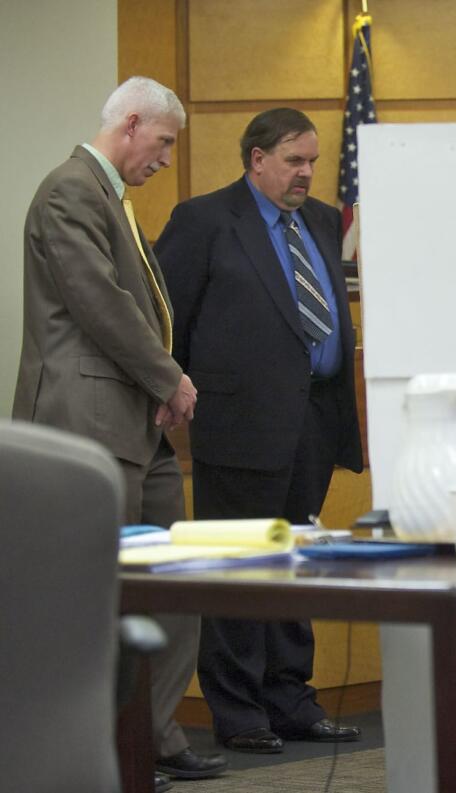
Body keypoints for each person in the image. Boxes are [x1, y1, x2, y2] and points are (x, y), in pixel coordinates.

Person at [13, 76, 227, 788]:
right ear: (131, 123)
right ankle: (99, 748)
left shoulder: (112, 199)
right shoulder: (70, 189)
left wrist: (159, 387)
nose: (167, 158)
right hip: (87, 426)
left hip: (139, 430)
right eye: (164, 142)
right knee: (97, 598)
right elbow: (100, 304)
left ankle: (155, 735)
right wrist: (169, 377)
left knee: (175, 581)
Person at [155, 108, 364, 753]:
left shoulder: (325, 221)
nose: (307, 173)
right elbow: (168, 321)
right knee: (242, 569)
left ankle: (290, 700)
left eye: (313, 161)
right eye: (295, 161)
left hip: (314, 423)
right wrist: (181, 395)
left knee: (293, 564)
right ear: (257, 159)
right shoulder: (205, 220)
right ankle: (240, 712)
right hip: (238, 426)